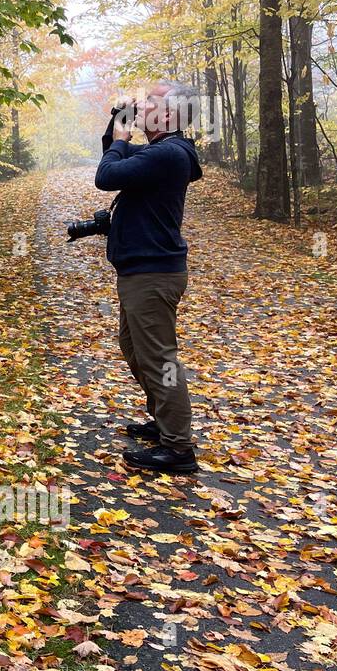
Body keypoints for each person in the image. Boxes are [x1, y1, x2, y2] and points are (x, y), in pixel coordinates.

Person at [95, 80, 204, 473]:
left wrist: (123, 133)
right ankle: (163, 422)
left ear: (172, 114)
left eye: (151, 103)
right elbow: (116, 158)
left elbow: (107, 175)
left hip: (153, 274)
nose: (142, 107)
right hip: (142, 272)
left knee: (160, 359)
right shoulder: (163, 153)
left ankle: (177, 449)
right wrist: (119, 123)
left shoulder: (171, 154)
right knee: (136, 349)